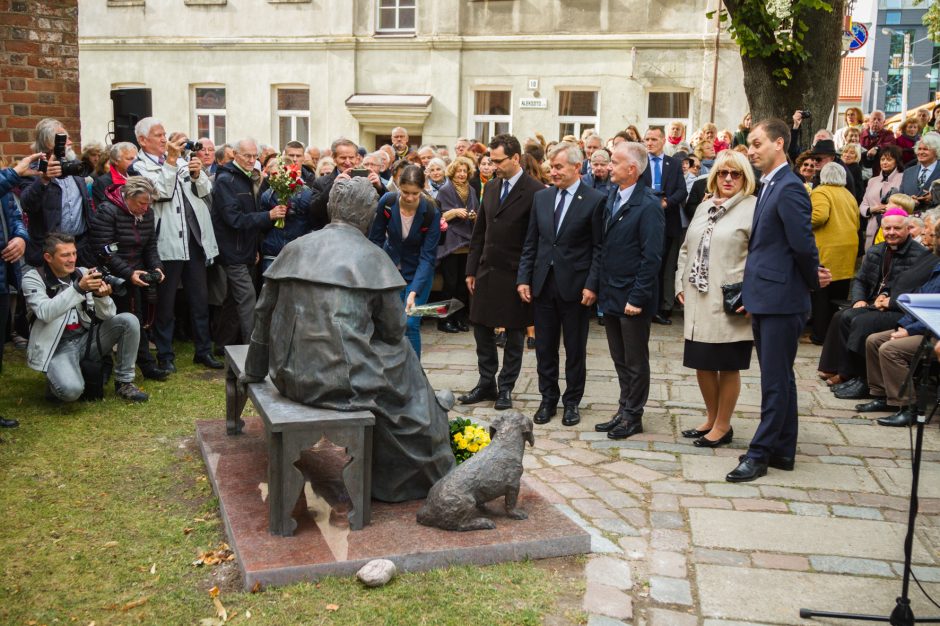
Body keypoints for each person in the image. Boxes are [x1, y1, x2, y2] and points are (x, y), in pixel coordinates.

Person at [242, 177, 454, 502]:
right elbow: (394, 331)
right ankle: (421, 463)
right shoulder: (373, 258)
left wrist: (255, 373)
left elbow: (262, 316)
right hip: (340, 386)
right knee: (405, 361)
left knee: (390, 361)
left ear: (330, 208)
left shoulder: (293, 248)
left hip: (287, 376)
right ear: (369, 214)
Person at [727, 118, 825, 483]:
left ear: (779, 143)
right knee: (781, 377)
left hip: (782, 299)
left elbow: (803, 245)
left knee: (774, 381)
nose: (750, 150)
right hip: (769, 295)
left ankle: (760, 453)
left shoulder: (789, 188)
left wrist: (811, 281)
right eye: (749, 144)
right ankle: (783, 448)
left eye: (756, 143)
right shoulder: (770, 185)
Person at [517, 142, 606, 427]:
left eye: (558, 167)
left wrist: (592, 285)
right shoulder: (542, 198)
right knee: (544, 347)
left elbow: (598, 248)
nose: (552, 172)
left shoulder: (594, 199)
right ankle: (547, 399)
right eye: (551, 167)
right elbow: (531, 242)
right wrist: (523, 278)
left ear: (577, 167)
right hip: (543, 284)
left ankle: (572, 402)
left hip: (576, 288)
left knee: (575, 348)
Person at [675, 150, 756, 447]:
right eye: (723, 173)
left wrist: (752, 292)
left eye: (735, 174)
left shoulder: (753, 208)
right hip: (697, 298)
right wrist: (679, 283)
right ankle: (711, 417)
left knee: (727, 364)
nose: (728, 179)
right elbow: (686, 248)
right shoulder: (704, 206)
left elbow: (759, 256)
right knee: (702, 362)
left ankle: (723, 425)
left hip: (730, 300)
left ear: (745, 178)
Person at [460, 134, 542, 411]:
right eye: (491, 161)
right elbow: (480, 230)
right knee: (482, 327)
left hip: (515, 273)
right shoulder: (492, 187)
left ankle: (506, 386)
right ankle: (486, 383)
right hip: (486, 270)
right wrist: (471, 269)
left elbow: (536, 239)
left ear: (516, 158)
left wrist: (526, 277)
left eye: (498, 161)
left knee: (515, 333)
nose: (494, 166)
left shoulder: (535, 191)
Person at [133, 119, 222, 373]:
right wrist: (171, 162)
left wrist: (197, 174)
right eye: (158, 135)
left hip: (194, 239)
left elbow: (206, 191)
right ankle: (165, 354)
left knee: (199, 299)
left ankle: (203, 351)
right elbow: (160, 192)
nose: (164, 139)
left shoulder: (182, 161)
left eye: (164, 134)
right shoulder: (139, 167)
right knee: (166, 302)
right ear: (142, 140)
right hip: (167, 241)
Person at [23, 233, 148, 403]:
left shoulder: (81, 273)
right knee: (71, 392)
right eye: (65, 255)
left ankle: (124, 383)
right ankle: (57, 382)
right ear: (48, 257)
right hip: (55, 347)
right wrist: (78, 289)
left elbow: (108, 315)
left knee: (128, 320)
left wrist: (101, 297)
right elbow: (45, 312)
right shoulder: (33, 278)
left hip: (85, 340)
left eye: (74, 253)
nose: (72, 259)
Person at [593, 142, 664, 440]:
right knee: (619, 358)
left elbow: (652, 258)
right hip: (611, 293)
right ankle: (623, 408)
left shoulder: (648, 205)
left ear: (632, 169)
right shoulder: (613, 196)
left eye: (615, 162)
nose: (610, 167)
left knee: (635, 360)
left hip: (632, 298)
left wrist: (637, 298)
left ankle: (634, 414)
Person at [822, 209, 931, 396]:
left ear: (907, 230)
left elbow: (911, 286)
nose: (891, 232)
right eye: (887, 228)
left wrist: (888, 300)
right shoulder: (876, 250)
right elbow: (860, 280)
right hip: (874, 302)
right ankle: (837, 368)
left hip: (899, 309)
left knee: (859, 322)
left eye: (897, 228)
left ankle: (858, 375)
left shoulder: (919, 255)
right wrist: (859, 299)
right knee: (841, 316)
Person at [859, 224, 940, 427]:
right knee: (874, 340)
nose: (929, 238)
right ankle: (883, 395)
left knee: (891, 349)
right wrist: (904, 325)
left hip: (933, 331)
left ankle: (908, 407)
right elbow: (921, 298)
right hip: (922, 323)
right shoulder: (936, 264)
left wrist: (909, 330)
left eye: (933, 235)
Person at [212, 139, 286, 347]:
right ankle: (254, 350)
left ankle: (222, 344)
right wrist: (268, 215)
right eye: (247, 156)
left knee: (234, 301)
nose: (251, 160)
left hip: (245, 249)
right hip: (232, 250)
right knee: (247, 300)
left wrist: (253, 247)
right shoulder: (226, 180)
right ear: (235, 154)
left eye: (255, 156)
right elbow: (234, 219)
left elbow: (247, 216)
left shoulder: (246, 177)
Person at [367, 165, 440, 359]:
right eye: (405, 192)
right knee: (391, 323)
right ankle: (394, 369)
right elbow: (375, 239)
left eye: (415, 193)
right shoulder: (388, 202)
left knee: (410, 323)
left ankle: (415, 374)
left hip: (419, 272)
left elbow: (428, 256)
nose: (409, 198)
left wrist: (414, 291)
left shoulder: (431, 211)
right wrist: (377, 272)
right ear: (398, 186)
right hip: (391, 270)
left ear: (423, 188)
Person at [20, 118, 95, 267]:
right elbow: (28, 205)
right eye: (63, 138)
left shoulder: (74, 167)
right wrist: (44, 179)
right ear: (48, 143)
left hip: (81, 247)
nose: (69, 142)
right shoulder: (32, 171)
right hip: (50, 252)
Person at [808, 163, 861, 344]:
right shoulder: (849, 195)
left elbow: (819, 216)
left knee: (821, 295)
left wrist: (799, 219)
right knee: (838, 296)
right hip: (848, 248)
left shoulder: (820, 192)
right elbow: (857, 221)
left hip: (828, 249)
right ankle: (833, 336)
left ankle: (819, 336)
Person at [0, 155, 35, 427]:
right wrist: (14, 174)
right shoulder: (6, 181)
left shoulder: (5, 192)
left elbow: (15, 217)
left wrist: (20, 238)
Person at [641, 128, 689, 326]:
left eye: (653, 139)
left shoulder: (674, 163)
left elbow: (682, 191)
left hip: (668, 221)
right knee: (648, 265)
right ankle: (646, 306)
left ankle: (660, 308)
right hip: (645, 220)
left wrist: (666, 203)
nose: (650, 143)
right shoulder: (640, 162)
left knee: (664, 268)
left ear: (662, 141)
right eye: (647, 139)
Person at [435, 156, 478, 334]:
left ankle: (459, 317)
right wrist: (454, 212)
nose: (462, 174)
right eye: (459, 170)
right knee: (449, 285)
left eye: (464, 171)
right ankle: (444, 320)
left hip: (467, 245)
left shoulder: (472, 189)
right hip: (451, 244)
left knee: (462, 285)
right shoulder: (445, 189)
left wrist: (474, 215)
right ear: (452, 171)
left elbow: (476, 209)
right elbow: (439, 215)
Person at [859, 144, 904, 250]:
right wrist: (871, 209)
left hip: (893, 228)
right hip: (872, 227)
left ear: (896, 161)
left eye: (889, 159)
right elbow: (863, 204)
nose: (884, 162)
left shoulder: (903, 178)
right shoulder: (872, 181)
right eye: (882, 159)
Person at [900, 133, 940, 210]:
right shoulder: (908, 172)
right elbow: (901, 196)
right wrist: (909, 201)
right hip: (911, 219)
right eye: (919, 149)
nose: (921, 152)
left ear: (936, 151)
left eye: (925, 149)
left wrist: (934, 197)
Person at [92, 142, 138, 209]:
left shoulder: (141, 176)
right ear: (116, 161)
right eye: (130, 159)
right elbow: (103, 211)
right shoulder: (102, 182)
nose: (134, 162)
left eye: (136, 159)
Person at [860, 110, 897, 177]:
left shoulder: (888, 134)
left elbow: (889, 144)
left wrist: (877, 148)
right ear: (869, 121)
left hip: (880, 171)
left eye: (879, 120)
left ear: (884, 122)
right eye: (874, 119)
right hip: (863, 171)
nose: (876, 121)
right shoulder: (861, 135)